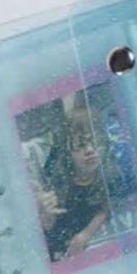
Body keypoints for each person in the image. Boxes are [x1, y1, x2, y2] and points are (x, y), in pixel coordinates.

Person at [36, 105, 114, 260]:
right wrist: (44, 215)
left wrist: (87, 233)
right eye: (80, 145)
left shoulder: (110, 174)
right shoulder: (59, 185)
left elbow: (109, 204)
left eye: (95, 141)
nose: (90, 150)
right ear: (68, 153)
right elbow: (51, 229)